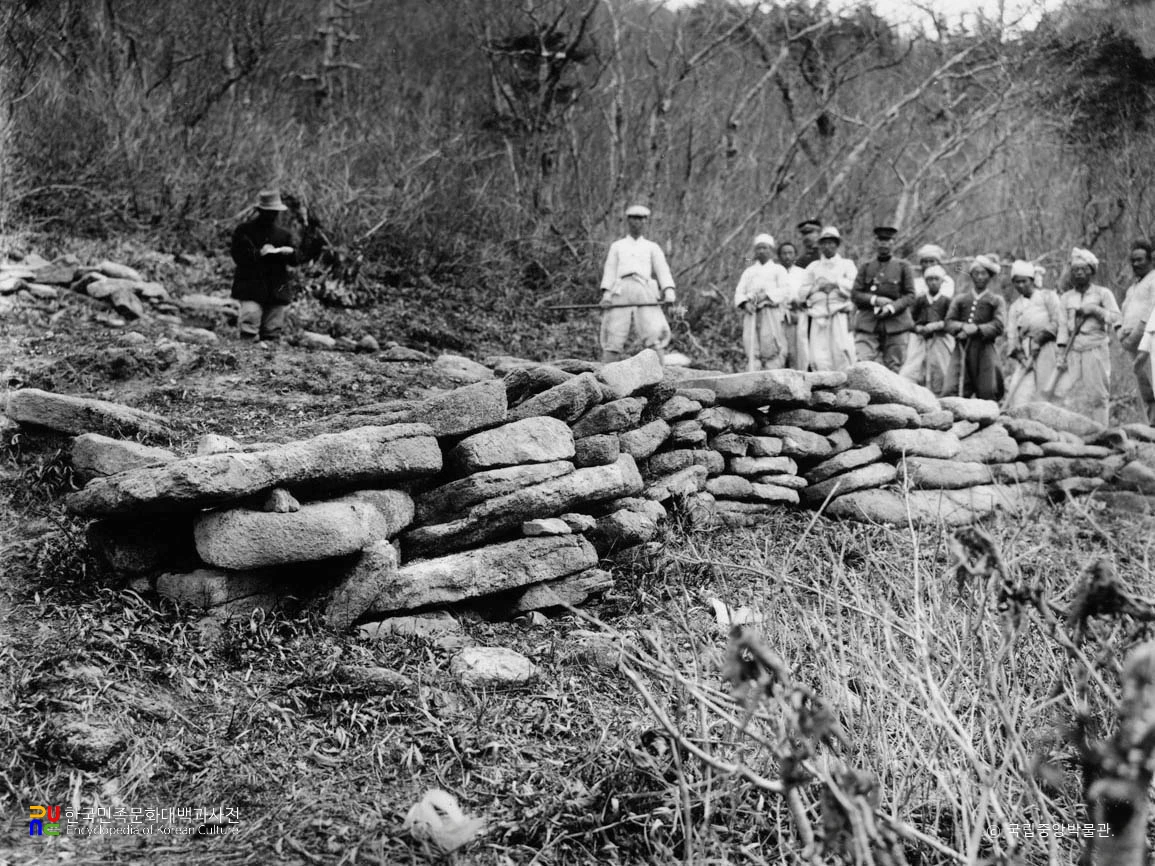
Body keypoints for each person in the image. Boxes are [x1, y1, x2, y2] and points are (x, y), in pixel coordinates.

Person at [1051, 247, 1120, 426]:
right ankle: (1074, 435)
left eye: (1083, 269)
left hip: (1095, 349)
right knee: (1066, 393)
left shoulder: (1102, 293)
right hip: (1073, 351)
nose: (1079, 273)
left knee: (1098, 395)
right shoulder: (1066, 298)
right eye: (1075, 270)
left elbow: (1115, 317)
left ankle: (1102, 433)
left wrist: (1095, 310)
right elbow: (1062, 328)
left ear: (1091, 271)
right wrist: (1060, 352)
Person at [598, 205, 676, 363]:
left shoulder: (651, 247)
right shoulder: (617, 246)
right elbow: (610, 271)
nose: (637, 223)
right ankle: (606, 373)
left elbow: (663, 270)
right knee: (614, 330)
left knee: (653, 329)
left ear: (646, 222)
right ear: (628, 221)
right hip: (621, 289)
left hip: (644, 289)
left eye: (641, 219)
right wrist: (606, 294)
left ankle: (662, 373)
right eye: (634, 218)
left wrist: (668, 291)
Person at [230, 190, 298, 344]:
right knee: (249, 325)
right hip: (250, 285)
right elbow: (238, 256)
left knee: (273, 330)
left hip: (276, 288)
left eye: (274, 212)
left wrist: (290, 253)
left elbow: (296, 260)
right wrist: (258, 253)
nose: (272, 215)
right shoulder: (244, 230)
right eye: (269, 211)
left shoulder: (284, 235)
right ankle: (245, 360)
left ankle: (269, 364)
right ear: (260, 211)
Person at [851, 225, 916, 372]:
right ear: (875, 243)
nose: (884, 244)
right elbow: (855, 294)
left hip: (896, 324)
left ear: (894, 243)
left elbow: (910, 295)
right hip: (868, 323)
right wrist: (875, 300)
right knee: (863, 365)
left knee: (894, 368)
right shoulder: (866, 267)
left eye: (888, 241)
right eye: (881, 240)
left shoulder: (903, 266)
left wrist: (891, 307)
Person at [1004, 259, 1065, 409]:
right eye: (1017, 282)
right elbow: (1012, 336)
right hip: (1026, 353)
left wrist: (1040, 338)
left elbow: (1059, 321)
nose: (1020, 285)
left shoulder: (1048, 296)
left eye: (1024, 281)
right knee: (1019, 394)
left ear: (1032, 280)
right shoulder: (1015, 307)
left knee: (1047, 391)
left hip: (1048, 348)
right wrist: (1020, 357)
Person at [944, 255, 1006, 399]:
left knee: (987, 391)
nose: (979, 277)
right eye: (976, 273)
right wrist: (963, 327)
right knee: (952, 388)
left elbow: (999, 325)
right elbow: (948, 321)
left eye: (983, 273)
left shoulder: (996, 300)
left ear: (989, 276)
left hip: (984, 349)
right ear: (971, 275)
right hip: (961, 348)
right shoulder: (960, 299)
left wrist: (977, 329)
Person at [733, 234, 793, 370]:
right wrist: (745, 304)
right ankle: (754, 372)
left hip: (771, 312)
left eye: (764, 248)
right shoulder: (749, 271)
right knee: (751, 343)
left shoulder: (778, 270)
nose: (761, 251)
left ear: (771, 250)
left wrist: (766, 296)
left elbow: (786, 290)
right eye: (758, 248)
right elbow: (739, 292)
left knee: (772, 344)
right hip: (752, 312)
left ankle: (773, 372)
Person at [801, 226, 857, 372]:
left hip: (839, 313)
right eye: (824, 243)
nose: (828, 246)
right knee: (818, 356)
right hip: (818, 315)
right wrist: (817, 287)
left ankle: (844, 388)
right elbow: (801, 291)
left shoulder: (847, 265)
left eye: (831, 243)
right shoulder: (813, 267)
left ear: (837, 245)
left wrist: (835, 283)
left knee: (842, 351)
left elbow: (855, 287)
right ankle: (824, 389)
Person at [899, 264, 953, 395]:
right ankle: (911, 394)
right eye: (930, 279)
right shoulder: (920, 300)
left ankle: (940, 395)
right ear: (925, 281)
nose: (933, 282)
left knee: (940, 368)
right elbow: (909, 318)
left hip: (940, 340)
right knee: (913, 368)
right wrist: (918, 327)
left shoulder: (946, 301)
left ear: (942, 281)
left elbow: (951, 320)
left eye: (936, 279)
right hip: (920, 339)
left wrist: (937, 326)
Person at [1119, 241, 1155, 424]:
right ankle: (1151, 428)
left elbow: (1150, 312)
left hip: (1148, 341)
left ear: (1150, 259)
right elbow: (1123, 313)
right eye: (1133, 260)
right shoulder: (1132, 288)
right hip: (1131, 344)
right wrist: (1121, 334)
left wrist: (1135, 336)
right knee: (1144, 389)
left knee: (1153, 383)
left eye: (1140, 259)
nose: (1136, 264)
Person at [778, 241, 810, 370]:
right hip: (779, 315)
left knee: (798, 350)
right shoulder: (776, 272)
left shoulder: (803, 273)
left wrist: (799, 302)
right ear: (779, 256)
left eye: (790, 253)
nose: (787, 256)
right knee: (780, 349)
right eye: (784, 253)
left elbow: (808, 292)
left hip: (799, 315)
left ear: (795, 255)